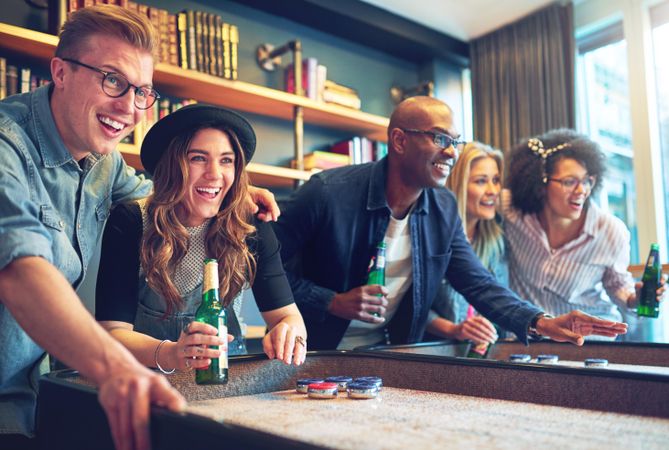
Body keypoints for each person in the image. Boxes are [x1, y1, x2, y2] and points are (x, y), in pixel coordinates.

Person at [0, 6, 278, 450]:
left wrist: (229, 188)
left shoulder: (103, 163)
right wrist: (117, 367)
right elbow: (19, 268)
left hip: (44, 398)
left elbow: (167, 191)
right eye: (112, 80)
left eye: (141, 91)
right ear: (61, 72)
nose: (129, 108)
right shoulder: (5, 146)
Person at [272, 96, 628, 351]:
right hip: (314, 350)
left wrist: (541, 321)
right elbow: (266, 259)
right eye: (440, 138)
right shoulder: (327, 191)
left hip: (392, 352)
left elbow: (478, 283)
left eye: (455, 142)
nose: (452, 151)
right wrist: (330, 301)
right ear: (398, 140)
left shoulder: (442, 207)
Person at [96, 104, 307, 371]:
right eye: (198, 158)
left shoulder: (250, 223)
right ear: (172, 164)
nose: (215, 174)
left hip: (229, 382)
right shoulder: (132, 221)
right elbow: (112, 332)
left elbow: (288, 316)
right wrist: (172, 354)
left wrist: (290, 332)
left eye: (226, 160)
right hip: (147, 381)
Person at [504, 128, 665, 328]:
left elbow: (619, 287)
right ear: (540, 182)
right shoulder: (514, 212)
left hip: (589, 340)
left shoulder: (610, 231)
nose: (582, 191)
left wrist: (637, 299)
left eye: (587, 180)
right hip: (532, 338)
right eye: (569, 182)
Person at [426, 142, 505, 345]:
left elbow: (501, 303)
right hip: (433, 351)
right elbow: (411, 306)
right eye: (481, 181)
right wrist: (454, 330)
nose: (493, 190)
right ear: (458, 184)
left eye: (496, 180)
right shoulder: (431, 234)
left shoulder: (496, 239)